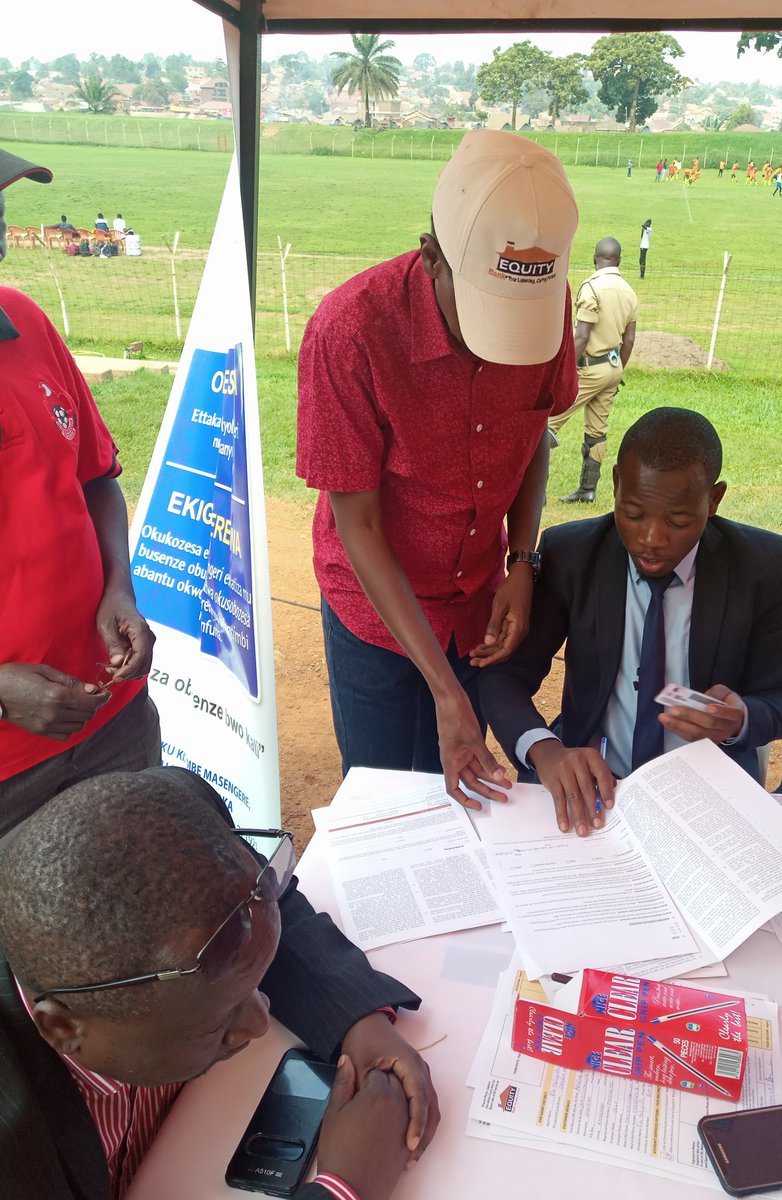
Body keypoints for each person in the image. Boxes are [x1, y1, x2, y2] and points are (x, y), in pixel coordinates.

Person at [296, 130, 578, 811]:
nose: (502, 342)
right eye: (483, 310)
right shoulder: (350, 332)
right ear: (432, 257)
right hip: (376, 613)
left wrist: (521, 557)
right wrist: (447, 693)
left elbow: (535, 426)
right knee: (384, 801)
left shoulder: (552, 303)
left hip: (476, 601)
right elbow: (357, 523)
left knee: (458, 797)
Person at [0, 766, 440, 1200]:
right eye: (216, 1022)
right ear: (64, 1029)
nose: (259, 1022)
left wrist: (359, 1021)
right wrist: (346, 1189)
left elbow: (259, 906)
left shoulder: (175, 814)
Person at [480, 407, 782, 837]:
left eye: (678, 521)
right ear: (615, 484)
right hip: (594, 786)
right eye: (633, 514)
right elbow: (503, 676)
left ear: (714, 500)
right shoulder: (574, 555)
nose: (651, 538)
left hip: (705, 795)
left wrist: (740, 718)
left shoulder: (761, 565)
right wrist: (545, 750)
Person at [0, 147, 159, 840]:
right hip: (9, 772)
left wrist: (120, 586)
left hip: (112, 716)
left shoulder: (24, 321)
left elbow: (95, 478)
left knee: (154, 921)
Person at [549, 237, 638, 505]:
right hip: (613, 367)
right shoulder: (629, 292)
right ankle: (587, 490)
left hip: (590, 368)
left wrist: (565, 373)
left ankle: (535, 493)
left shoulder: (592, 289)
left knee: (547, 424)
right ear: (619, 261)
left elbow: (582, 337)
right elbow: (630, 340)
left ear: (594, 258)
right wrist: (619, 369)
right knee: (597, 429)